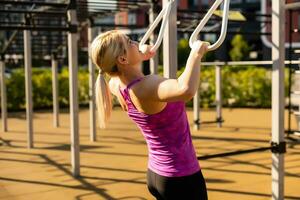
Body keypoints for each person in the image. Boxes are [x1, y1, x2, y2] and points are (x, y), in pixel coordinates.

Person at [90, 30, 209, 200]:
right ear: (122, 59)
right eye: (130, 41)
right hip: (180, 177)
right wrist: (196, 53)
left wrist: (139, 56)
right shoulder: (147, 87)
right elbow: (186, 89)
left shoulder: (116, 85)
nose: (136, 42)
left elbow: (126, 71)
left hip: (157, 174)